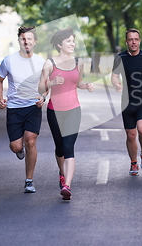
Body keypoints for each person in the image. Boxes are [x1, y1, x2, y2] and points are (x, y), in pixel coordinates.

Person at [39, 28, 94, 200]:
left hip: (73, 110)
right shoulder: (49, 64)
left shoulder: (79, 62)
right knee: (60, 147)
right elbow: (41, 88)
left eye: (73, 41)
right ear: (59, 44)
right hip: (54, 110)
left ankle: (67, 185)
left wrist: (86, 85)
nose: (72, 44)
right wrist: (52, 82)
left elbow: (78, 82)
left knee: (69, 147)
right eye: (68, 41)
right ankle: (62, 174)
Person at [0, 26, 46, 194]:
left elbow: (46, 84)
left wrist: (43, 97)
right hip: (14, 108)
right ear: (19, 41)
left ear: (35, 42)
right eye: (23, 39)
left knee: (30, 141)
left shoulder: (40, 62)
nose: (26, 42)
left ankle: (29, 181)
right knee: (16, 146)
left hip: (33, 107)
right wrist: (0, 98)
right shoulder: (9, 60)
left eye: (29, 39)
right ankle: (20, 150)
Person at [111, 28, 142, 176]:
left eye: (136, 39)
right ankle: (133, 163)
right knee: (131, 135)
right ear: (126, 41)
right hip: (127, 102)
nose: (133, 42)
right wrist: (115, 83)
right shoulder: (120, 58)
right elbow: (114, 75)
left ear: (139, 41)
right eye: (130, 39)